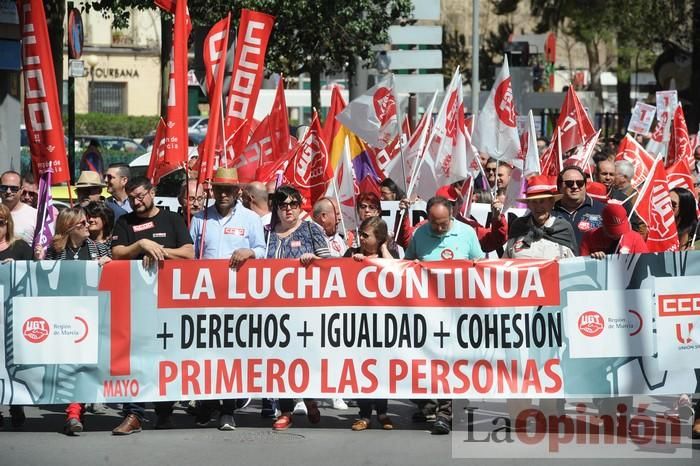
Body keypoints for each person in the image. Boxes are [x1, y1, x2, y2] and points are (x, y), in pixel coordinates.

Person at [111, 176, 194, 435]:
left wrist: (157, 250)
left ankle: (164, 411)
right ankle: (134, 413)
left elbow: (189, 253)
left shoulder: (172, 219)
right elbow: (117, 253)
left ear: (152, 192)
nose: (136, 201)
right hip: (136, 300)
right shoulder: (124, 222)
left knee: (166, 356)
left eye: (140, 195)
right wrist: (140, 244)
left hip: (170, 301)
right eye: (131, 197)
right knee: (136, 357)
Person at [188, 167, 265, 430]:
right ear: (213, 190)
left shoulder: (251, 218)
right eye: (219, 189)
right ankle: (208, 402)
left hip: (237, 295)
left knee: (232, 352)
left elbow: (263, 250)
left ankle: (228, 409)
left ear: (237, 192)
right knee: (207, 352)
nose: (223, 194)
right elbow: (190, 255)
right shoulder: (201, 218)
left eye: (228, 190)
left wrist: (249, 252)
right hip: (205, 295)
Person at [404, 196, 484, 435]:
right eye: (434, 223)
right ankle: (429, 403)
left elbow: (479, 263)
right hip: (427, 311)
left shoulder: (467, 233)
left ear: (452, 216)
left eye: (443, 224)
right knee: (428, 359)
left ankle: (445, 413)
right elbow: (407, 265)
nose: (438, 228)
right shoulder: (419, 234)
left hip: (457, 311)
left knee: (450, 360)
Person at [266, 185, 331, 431]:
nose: (288, 210)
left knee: (305, 357)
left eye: (293, 204)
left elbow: (331, 265)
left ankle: (310, 397)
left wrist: (314, 260)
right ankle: (285, 410)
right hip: (274, 308)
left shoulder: (311, 229)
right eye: (283, 205)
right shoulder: (268, 233)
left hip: (306, 307)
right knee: (281, 359)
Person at [43, 207, 111, 435]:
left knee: (85, 363)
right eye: (82, 223)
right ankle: (74, 412)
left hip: (92, 314)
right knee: (71, 364)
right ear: (69, 228)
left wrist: (108, 264)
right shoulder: (53, 252)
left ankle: (74, 412)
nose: (87, 226)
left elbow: (114, 272)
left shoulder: (99, 248)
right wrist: (37, 262)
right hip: (64, 315)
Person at [344, 216, 398, 432]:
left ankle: (383, 412)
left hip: (383, 323)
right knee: (362, 368)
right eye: (361, 235)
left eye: (366, 236)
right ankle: (364, 414)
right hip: (358, 322)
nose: (362, 239)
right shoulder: (351, 254)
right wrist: (353, 262)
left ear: (379, 238)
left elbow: (395, 270)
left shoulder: (389, 255)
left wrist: (384, 249)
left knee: (382, 369)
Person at [0, 203, 33, 430]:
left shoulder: (20, 246)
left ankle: (16, 402)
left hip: (14, 314)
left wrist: (18, 267)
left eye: (1, 223)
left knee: (13, 362)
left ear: (8, 224)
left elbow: (34, 274)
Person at [505, 175, 577, 259]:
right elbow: (506, 261)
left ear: (552, 203)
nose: (538, 206)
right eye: (534, 202)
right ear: (528, 205)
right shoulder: (518, 226)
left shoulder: (563, 228)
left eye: (542, 201)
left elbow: (573, 265)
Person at [552, 166, 605, 246]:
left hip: (592, 258)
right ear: (559, 187)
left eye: (580, 183)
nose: (575, 186)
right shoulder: (549, 211)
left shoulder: (602, 210)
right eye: (569, 183)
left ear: (585, 185)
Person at [579, 202, 648, 257]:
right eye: (612, 232)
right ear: (603, 224)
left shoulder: (635, 238)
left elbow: (644, 263)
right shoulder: (590, 237)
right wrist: (593, 259)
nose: (617, 234)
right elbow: (583, 264)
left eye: (620, 230)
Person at [609, 160, 646, 236]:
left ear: (624, 177)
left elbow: (641, 227)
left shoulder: (635, 198)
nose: (610, 177)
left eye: (613, 174)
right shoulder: (611, 192)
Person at [1, 170, 36, 245]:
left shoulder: (34, 215)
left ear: (21, 190)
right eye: (4, 187)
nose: (8, 191)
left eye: (14, 188)